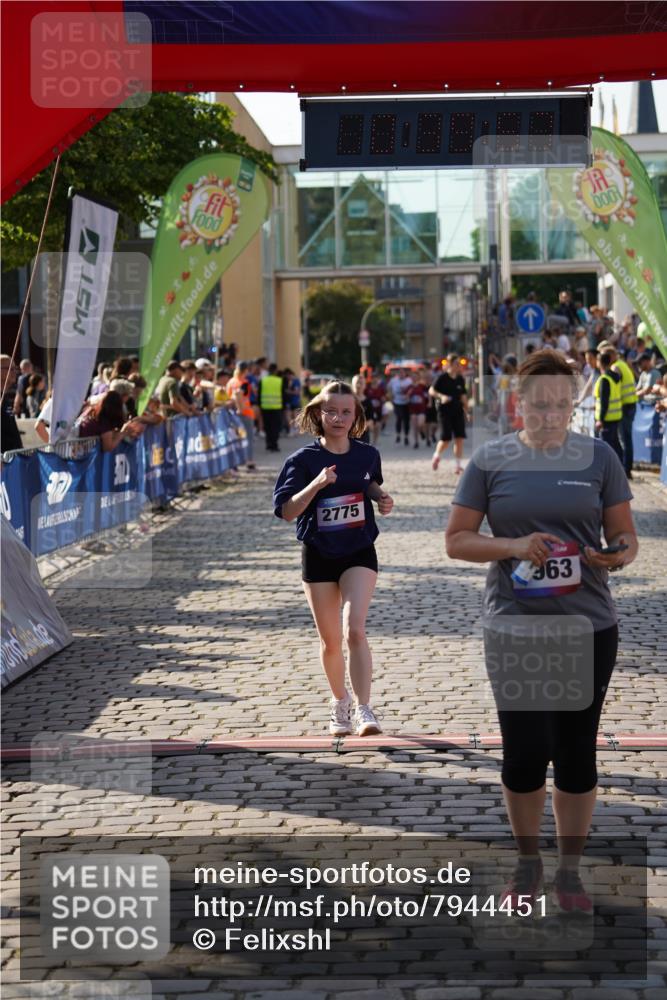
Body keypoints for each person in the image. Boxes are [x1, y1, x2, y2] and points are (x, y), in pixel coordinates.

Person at [445, 348, 638, 913]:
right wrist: (513, 546)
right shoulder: (491, 460)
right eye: (540, 404)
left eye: (562, 404)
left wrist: (615, 556)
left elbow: (626, 536)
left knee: (577, 755)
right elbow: (456, 540)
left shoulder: (600, 458)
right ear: (517, 403)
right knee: (526, 754)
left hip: (589, 626)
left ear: (573, 403)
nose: (551, 414)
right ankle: (527, 866)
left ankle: (570, 875)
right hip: (516, 629)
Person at [273, 381, 394, 737]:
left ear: (356, 416)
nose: (338, 418)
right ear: (318, 413)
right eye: (331, 411)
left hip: (358, 549)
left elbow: (366, 481)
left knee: (354, 627)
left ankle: (363, 708)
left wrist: (380, 497)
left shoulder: (367, 454)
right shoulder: (302, 460)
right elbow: (285, 511)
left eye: (345, 412)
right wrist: (316, 486)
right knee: (330, 642)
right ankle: (339, 702)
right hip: (319, 553)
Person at [430, 354, 469, 473]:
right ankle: (436, 455)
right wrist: (442, 396)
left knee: (459, 438)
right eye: (457, 364)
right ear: (450, 364)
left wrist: (467, 412)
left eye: (459, 364)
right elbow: (431, 390)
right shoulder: (442, 377)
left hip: (457, 411)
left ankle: (458, 465)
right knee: (446, 439)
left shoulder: (460, 379)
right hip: (444, 411)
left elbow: (463, 396)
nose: (459, 366)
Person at [76, 390, 143, 452]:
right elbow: (108, 447)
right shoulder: (103, 421)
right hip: (83, 455)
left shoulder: (92, 412)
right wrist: (123, 433)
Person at [594, 351, 624, 464]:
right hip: (615, 417)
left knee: (606, 448)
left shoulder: (605, 379)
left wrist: (600, 419)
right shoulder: (615, 377)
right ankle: (621, 468)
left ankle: (609, 472)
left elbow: (604, 401)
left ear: (600, 363)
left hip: (606, 419)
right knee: (615, 445)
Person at [227, 362, 256, 470]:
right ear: (245, 370)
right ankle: (249, 462)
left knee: (235, 439)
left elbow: (229, 395)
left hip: (232, 414)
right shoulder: (244, 382)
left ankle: (235, 463)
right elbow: (238, 394)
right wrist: (240, 408)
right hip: (245, 413)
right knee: (248, 438)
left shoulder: (231, 382)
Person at [259, 362, 285, 452]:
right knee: (275, 427)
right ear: (275, 370)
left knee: (267, 427)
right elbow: (283, 395)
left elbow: (259, 394)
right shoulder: (279, 381)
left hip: (265, 407)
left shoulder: (263, 380)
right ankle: (274, 445)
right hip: (276, 408)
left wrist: (260, 406)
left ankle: (268, 444)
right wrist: (283, 407)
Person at [0, 354, 22, 452]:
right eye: (10, 368)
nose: (15, 372)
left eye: (15, 369)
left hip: (13, 462)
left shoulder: (5, 397)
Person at [387, 367, 411, 445]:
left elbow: (413, 388)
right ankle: (398, 435)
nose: (401, 374)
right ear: (397, 374)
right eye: (400, 373)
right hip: (397, 402)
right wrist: (391, 397)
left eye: (403, 373)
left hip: (407, 403)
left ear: (405, 373)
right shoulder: (393, 380)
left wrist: (409, 395)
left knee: (406, 420)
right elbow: (388, 388)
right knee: (399, 418)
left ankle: (406, 437)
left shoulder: (409, 381)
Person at [407, 370, 430, 448]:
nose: (414, 378)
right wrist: (408, 394)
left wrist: (429, 402)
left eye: (415, 376)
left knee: (420, 424)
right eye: (413, 377)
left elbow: (429, 393)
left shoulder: (422, 386)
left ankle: (422, 432)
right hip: (412, 409)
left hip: (421, 408)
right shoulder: (409, 387)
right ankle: (416, 442)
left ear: (418, 377)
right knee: (414, 426)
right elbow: (406, 398)